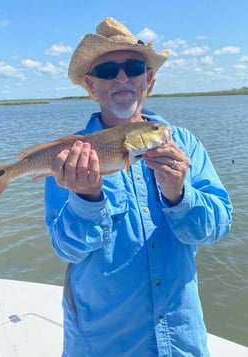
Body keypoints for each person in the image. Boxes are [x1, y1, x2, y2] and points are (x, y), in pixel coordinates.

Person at [44, 17, 232, 357]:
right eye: (107, 71)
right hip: (103, 344)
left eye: (133, 67)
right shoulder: (72, 156)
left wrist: (179, 194)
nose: (122, 77)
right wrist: (85, 199)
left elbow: (217, 228)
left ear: (149, 79)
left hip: (181, 342)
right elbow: (66, 250)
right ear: (90, 84)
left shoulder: (185, 144)